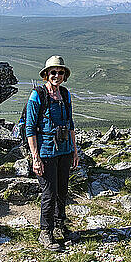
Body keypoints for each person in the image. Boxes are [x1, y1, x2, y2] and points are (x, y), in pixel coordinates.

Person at [26, 55, 79, 251]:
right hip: (46, 152)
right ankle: (45, 233)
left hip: (64, 150)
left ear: (64, 75)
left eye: (61, 72)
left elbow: (70, 123)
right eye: (53, 72)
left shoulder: (65, 94)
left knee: (62, 191)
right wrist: (35, 158)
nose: (57, 75)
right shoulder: (37, 95)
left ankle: (60, 227)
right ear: (46, 74)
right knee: (49, 193)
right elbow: (30, 129)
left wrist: (74, 150)